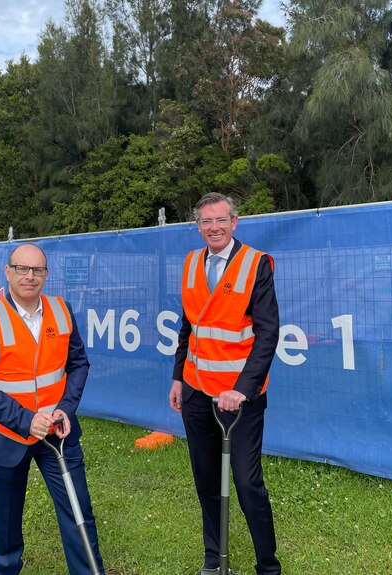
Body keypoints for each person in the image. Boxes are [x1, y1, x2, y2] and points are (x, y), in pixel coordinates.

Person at [0, 243, 104, 575]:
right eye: (22, 269)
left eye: (38, 270)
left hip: (58, 433)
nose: (30, 276)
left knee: (78, 510)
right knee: (8, 517)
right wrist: (26, 421)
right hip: (7, 437)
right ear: (8, 272)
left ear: (46, 274)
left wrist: (65, 410)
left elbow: (79, 365)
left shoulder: (62, 311)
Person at [169, 193, 282, 575]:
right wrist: (177, 378)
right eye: (206, 221)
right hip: (196, 392)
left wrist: (243, 389)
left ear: (235, 222)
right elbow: (188, 327)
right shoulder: (189, 263)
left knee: (248, 484)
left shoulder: (256, 264)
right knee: (205, 480)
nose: (213, 227)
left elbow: (268, 335)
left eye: (220, 220)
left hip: (240, 399)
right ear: (197, 226)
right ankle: (214, 560)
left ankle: (267, 565)